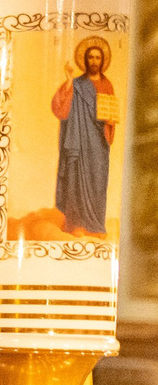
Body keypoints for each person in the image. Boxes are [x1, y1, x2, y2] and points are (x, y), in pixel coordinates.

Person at [52, 36, 119, 237]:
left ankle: (96, 226)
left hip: (99, 143)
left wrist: (109, 121)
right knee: (75, 179)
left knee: (98, 180)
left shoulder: (108, 85)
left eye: (98, 57)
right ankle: (75, 225)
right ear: (86, 60)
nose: (94, 61)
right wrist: (68, 80)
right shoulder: (77, 84)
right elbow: (60, 109)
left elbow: (111, 116)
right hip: (78, 141)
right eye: (91, 57)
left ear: (103, 61)